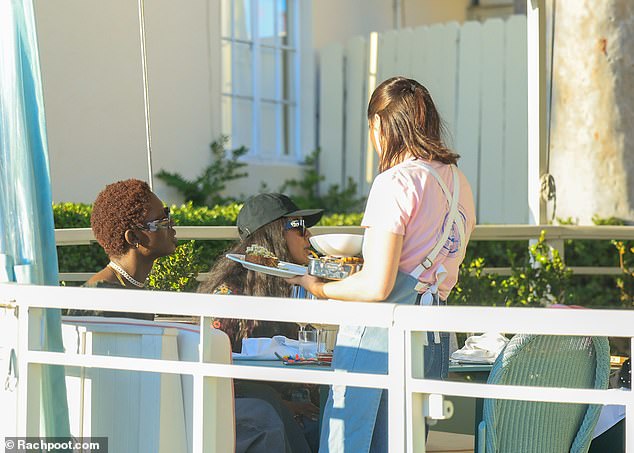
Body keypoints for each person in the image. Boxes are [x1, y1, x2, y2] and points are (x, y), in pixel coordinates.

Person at [288, 77, 477, 452]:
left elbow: (377, 285)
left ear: (380, 124)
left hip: (378, 333)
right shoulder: (459, 183)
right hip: (432, 332)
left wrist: (320, 288)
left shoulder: (395, 182)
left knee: (350, 440)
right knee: (406, 441)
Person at [198, 192, 324, 453]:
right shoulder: (229, 294)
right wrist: (285, 406)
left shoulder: (292, 283)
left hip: (287, 402)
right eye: (299, 227)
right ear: (273, 233)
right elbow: (214, 373)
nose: (308, 235)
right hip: (252, 407)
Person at [66, 178, 177, 319]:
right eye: (162, 221)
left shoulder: (128, 289)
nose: (172, 223)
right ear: (133, 238)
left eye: (167, 215)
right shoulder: (102, 300)